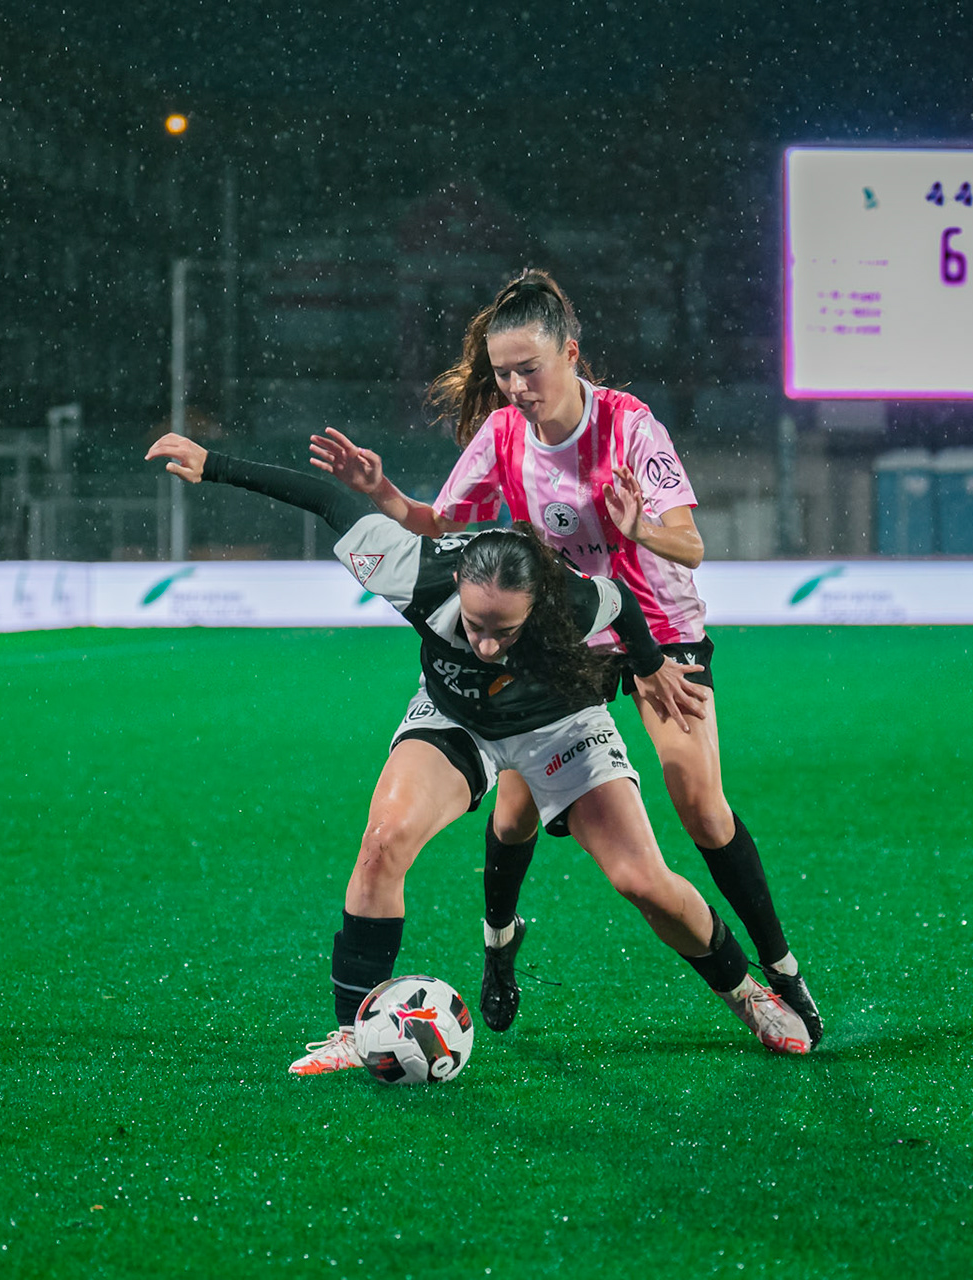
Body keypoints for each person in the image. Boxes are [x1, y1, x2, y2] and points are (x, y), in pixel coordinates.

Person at [144, 430, 814, 1072]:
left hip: (563, 727)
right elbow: (328, 500)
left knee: (642, 880)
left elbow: (621, 605)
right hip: (455, 718)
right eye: (475, 624)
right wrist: (216, 465)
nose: (488, 643)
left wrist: (650, 666)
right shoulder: (415, 572)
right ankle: (354, 1031)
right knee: (383, 842)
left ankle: (744, 993)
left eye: (504, 630)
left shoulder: (569, 601)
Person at [308, 268, 821, 1045]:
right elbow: (439, 526)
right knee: (512, 812)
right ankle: (499, 946)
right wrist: (382, 495)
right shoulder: (503, 434)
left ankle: (780, 975)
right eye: (502, 373)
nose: (514, 386)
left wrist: (639, 527)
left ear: (571, 353)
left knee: (700, 807)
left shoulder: (630, 425)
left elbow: (691, 542)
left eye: (528, 370)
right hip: (565, 636)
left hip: (658, 632)